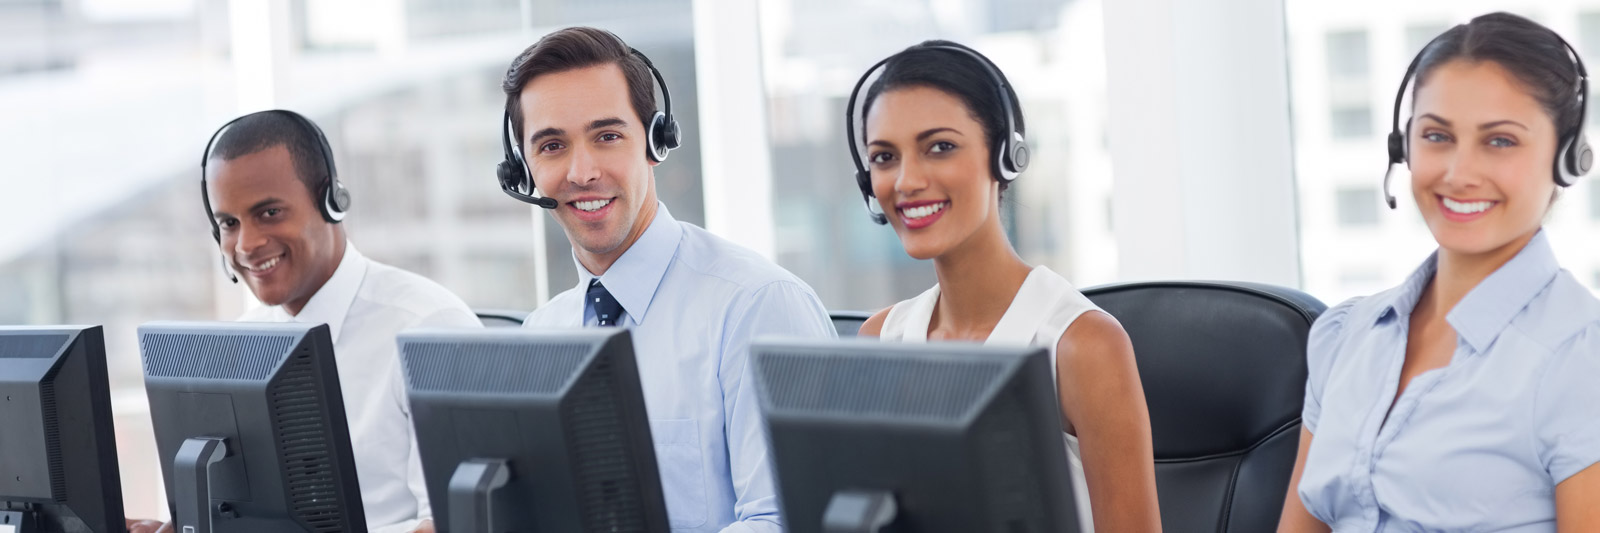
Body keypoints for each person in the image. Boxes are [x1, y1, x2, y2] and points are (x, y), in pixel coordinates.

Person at [501, 27, 835, 532]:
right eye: (552, 146)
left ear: (656, 142)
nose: (582, 171)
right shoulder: (542, 334)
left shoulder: (758, 306)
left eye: (607, 136)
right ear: (523, 171)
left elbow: (789, 521)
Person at [1277, 12, 1600, 532]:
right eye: (1436, 136)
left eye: (1500, 141)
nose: (1459, 173)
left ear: (1566, 159)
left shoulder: (1581, 359)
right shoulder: (1346, 338)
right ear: (1403, 146)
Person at [849, 41, 1161, 532]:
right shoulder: (881, 338)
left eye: (940, 147)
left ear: (1005, 156)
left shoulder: (1082, 346)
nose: (906, 181)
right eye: (885, 157)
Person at [126, 110, 482, 533]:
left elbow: (456, 523)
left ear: (332, 201)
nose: (247, 244)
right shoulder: (239, 347)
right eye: (228, 223)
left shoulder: (429, 326)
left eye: (270, 212)